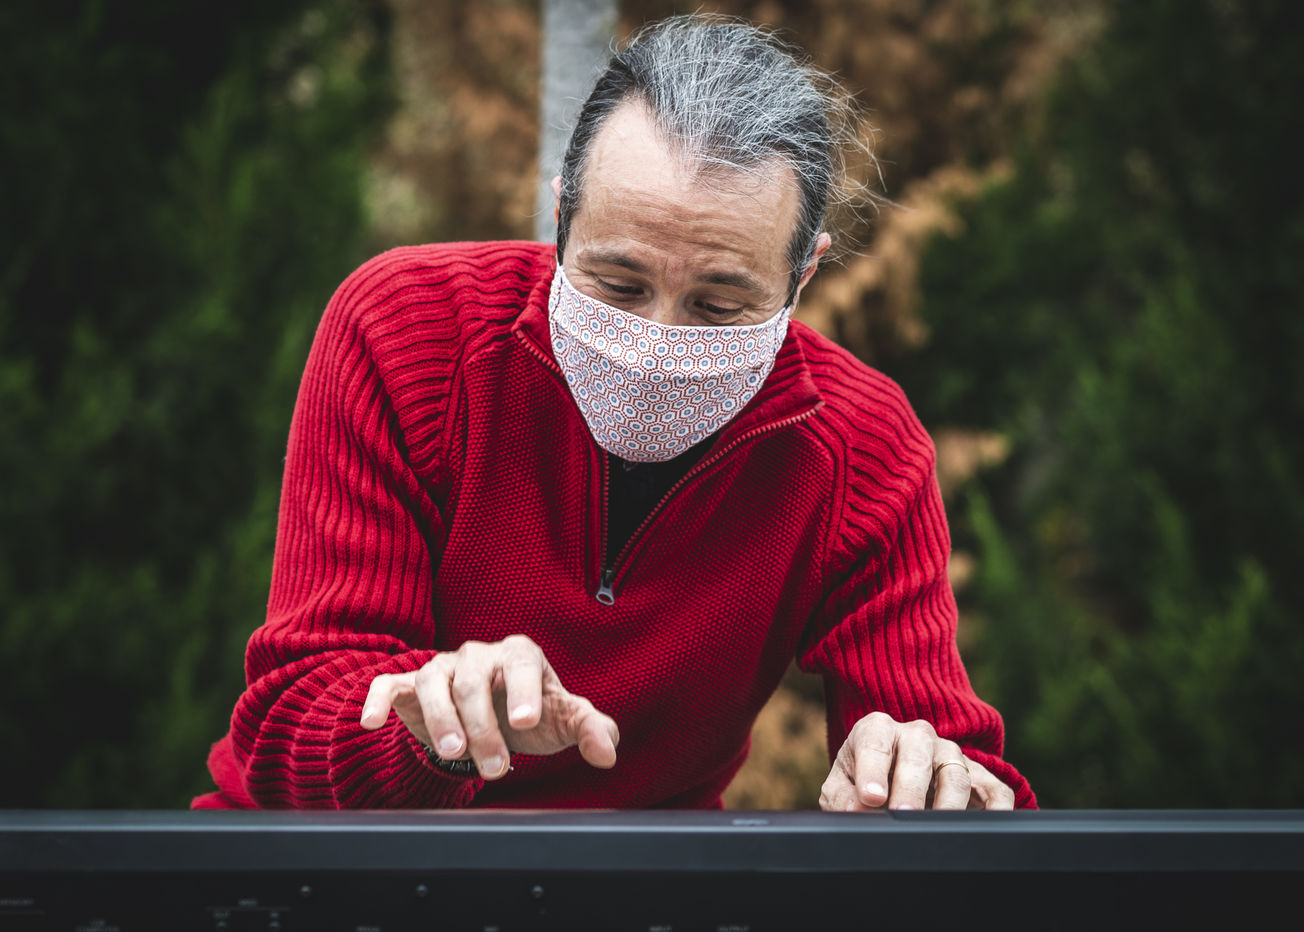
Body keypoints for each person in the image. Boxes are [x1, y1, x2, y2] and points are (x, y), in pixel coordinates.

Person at [193, 14, 1036, 812]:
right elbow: (287, 730)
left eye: (717, 305)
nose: (656, 343)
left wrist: (928, 780)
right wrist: (429, 731)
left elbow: (959, 776)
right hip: (340, 871)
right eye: (618, 285)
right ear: (562, 216)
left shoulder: (860, 447)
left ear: (802, 275)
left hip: (642, 878)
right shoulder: (405, 332)